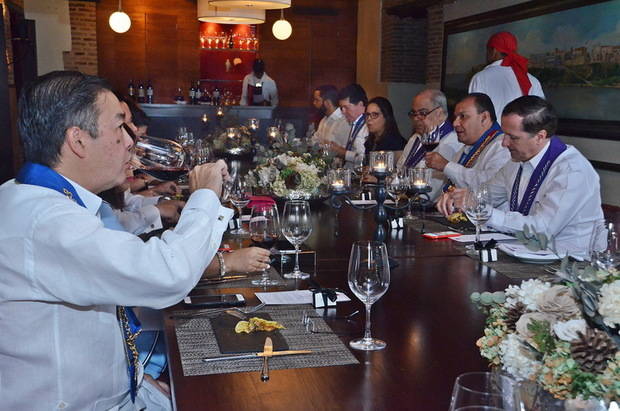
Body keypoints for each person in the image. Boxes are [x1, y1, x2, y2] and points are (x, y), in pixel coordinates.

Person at [0, 70, 234, 410]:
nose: (130, 142)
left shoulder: (38, 197)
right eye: (119, 127)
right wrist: (206, 197)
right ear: (78, 140)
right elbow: (165, 274)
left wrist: (139, 377)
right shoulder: (44, 220)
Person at [438, 96, 604, 256]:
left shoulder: (571, 171)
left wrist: (484, 212)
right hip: (524, 252)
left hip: (570, 264)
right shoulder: (515, 162)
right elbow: (486, 195)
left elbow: (541, 229)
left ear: (540, 136)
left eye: (513, 137)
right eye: (504, 134)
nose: (504, 143)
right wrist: (461, 196)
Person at [425, 93, 510, 192]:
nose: (455, 123)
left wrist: (446, 166)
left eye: (463, 116)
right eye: (455, 117)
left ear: (484, 118)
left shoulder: (502, 146)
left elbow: (489, 187)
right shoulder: (465, 148)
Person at [396, 89, 463, 200]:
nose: (416, 119)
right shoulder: (416, 138)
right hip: (403, 198)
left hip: (424, 205)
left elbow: (433, 189)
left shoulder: (451, 142)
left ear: (439, 114)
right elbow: (400, 169)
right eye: (413, 113)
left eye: (422, 113)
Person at [469, 31, 545, 120]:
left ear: (493, 51)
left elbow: (473, 114)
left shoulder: (480, 78)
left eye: (488, 51)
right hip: (522, 133)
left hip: (492, 134)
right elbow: (540, 115)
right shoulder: (532, 80)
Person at [327, 83, 369, 168]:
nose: (343, 111)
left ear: (360, 104)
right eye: (341, 108)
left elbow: (366, 158)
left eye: (346, 107)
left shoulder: (368, 126)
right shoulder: (355, 122)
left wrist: (343, 153)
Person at [310, 84, 350, 149]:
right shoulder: (324, 119)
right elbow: (314, 141)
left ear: (327, 103)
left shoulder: (344, 121)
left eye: (317, 100)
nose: (314, 103)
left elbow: (341, 150)